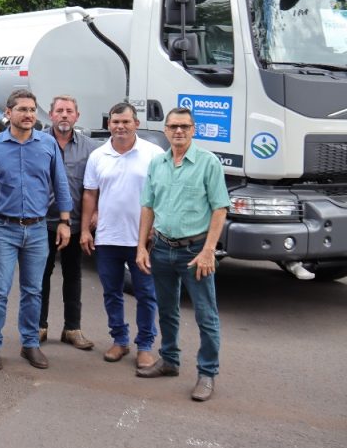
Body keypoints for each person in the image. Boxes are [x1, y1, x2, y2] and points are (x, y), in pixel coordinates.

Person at [135, 107, 230, 402]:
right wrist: (141, 247)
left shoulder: (208, 162)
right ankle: (169, 360)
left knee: (205, 315)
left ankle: (207, 373)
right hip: (162, 248)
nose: (179, 131)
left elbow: (220, 209)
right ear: (165, 130)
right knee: (166, 310)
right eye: (173, 126)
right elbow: (148, 206)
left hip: (195, 252)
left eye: (185, 127)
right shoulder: (158, 164)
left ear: (193, 130)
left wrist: (209, 251)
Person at [0, 89, 72, 371]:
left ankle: (30, 343)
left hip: (37, 229)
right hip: (3, 227)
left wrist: (65, 222)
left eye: (32, 110)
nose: (29, 115)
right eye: (22, 109)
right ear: (8, 113)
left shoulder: (47, 144)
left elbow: (60, 183)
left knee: (33, 291)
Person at [81, 102, 163, 369]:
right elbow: (90, 194)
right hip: (108, 238)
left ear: (136, 124)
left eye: (126, 121)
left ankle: (145, 346)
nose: (120, 127)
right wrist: (85, 230)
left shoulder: (154, 154)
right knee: (112, 293)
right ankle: (119, 340)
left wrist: (156, 226)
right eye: (115, 122)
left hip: (142, 240)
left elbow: (163, 192)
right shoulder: (98, 155)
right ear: (109, 125)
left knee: (146, 294)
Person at [39, 95, 99, 351]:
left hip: (75, 224)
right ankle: (38, 326)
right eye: (60, 111)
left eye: (69, 111)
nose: (64, 115)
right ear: (51, 114)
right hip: (42, 223)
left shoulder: (91, 149)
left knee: (73, 275)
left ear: (77, 116)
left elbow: (97, 185)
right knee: (40, 276)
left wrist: (96, 212)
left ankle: (72, 329)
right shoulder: (37, 142)